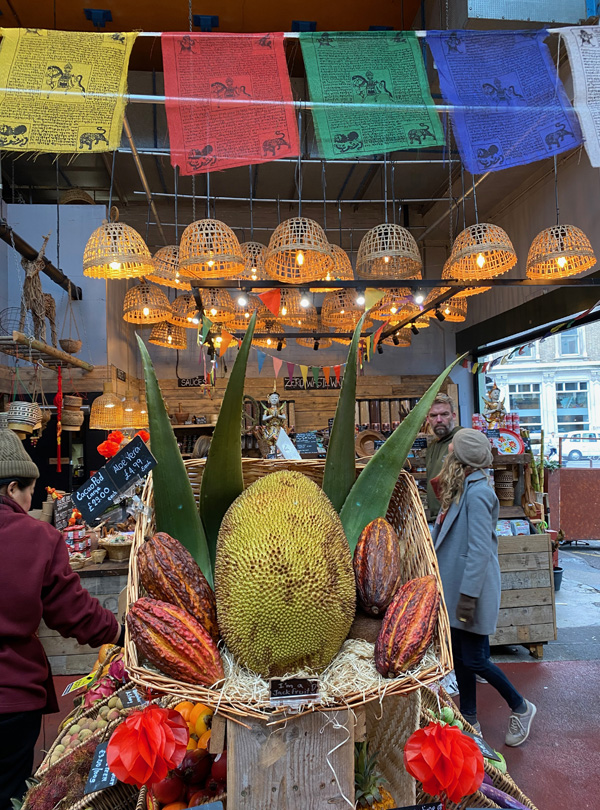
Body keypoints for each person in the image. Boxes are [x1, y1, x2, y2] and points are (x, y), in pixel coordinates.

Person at [0, 429, 124, 809]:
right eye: (30, 492)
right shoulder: (36, 538)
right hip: (11, 697)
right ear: (11, 488)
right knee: (9, 793)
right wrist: (119, 633)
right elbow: (73, 612)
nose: (31, 502)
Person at [431, 429, 536, 746]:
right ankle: (470, 719)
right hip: (458, 590)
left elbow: (479, 550)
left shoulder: (478, 495)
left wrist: (467, 597)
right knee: (462, 659)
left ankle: (521, 707)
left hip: (470, 592)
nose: (447, 455)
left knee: (476, 660)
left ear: (461, 460)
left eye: (451, 451)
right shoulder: (463, 489)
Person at [425, 393, 462, 520]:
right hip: (437, 518)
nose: (439, 420)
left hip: (456, 518)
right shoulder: (432, 446)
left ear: (453, 416)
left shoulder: (462, 439)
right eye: (433, 415)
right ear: (428, 419)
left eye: (444, 414)